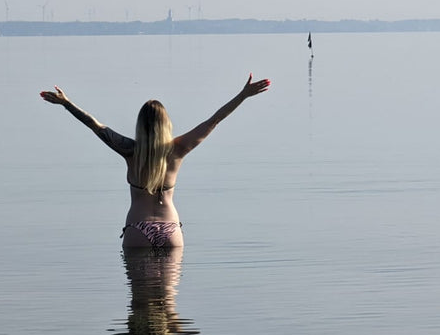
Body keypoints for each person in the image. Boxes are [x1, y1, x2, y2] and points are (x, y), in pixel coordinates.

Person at [40, 74, 270, 249]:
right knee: (170, 309)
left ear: (140, 125)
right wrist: (243, 95)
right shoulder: (179, 148)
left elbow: (94, 125)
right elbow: (215, 120)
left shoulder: (129, 150)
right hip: (171, 230)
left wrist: (66, 103)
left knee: (138, 306)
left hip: (137, 230)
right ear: (166, 124)